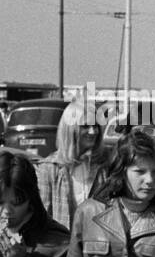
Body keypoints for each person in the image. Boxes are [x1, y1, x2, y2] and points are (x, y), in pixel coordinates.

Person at [35, 98, 108, 230]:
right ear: (70, 129)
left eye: (96, 125)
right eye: (85, 126)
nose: (93, 131)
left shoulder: (105, 164)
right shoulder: (49, 168)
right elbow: (41, 217)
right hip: (63, 246)